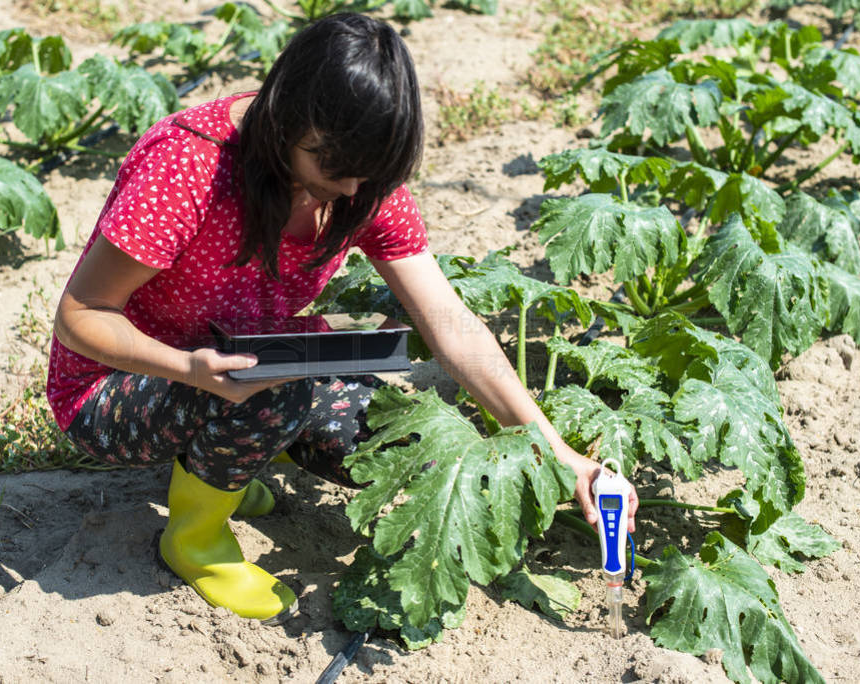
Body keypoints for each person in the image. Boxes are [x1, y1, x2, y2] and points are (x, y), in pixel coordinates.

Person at [49, 12, 638, 624]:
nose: (355, 187)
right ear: (285, 117)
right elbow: (80, 316)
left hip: (238, 361)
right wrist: (190, 369)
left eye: (370, 173)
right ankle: (194, 539)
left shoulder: (360, 178)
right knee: (273, 391)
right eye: (334, 166)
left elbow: (447, 317)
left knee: (384, 443)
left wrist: (560, 453)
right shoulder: (189, 168)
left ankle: (223, 459)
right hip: (114, 386)